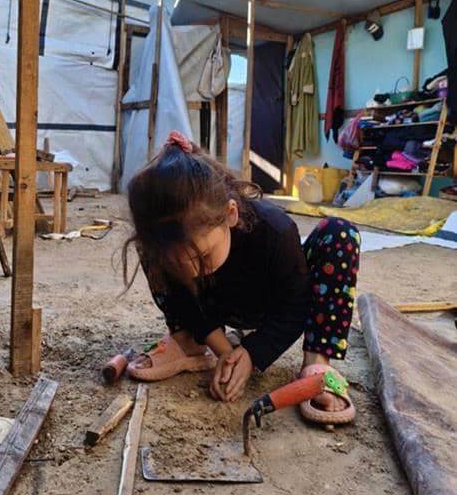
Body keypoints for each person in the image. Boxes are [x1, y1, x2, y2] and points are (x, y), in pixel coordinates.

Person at [121, 131, 358, 425]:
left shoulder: (275, 230)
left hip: (268, 304)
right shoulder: (170, 254)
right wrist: (225, 352)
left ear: (230, 215)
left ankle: (317, 363)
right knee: (155, 256)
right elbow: (181, 297)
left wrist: (252, 354)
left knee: (339, 233)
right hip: (212, 310)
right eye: (181, 266)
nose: (194, 273)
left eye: (204, 257)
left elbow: (295, 305)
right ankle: (190, 341)